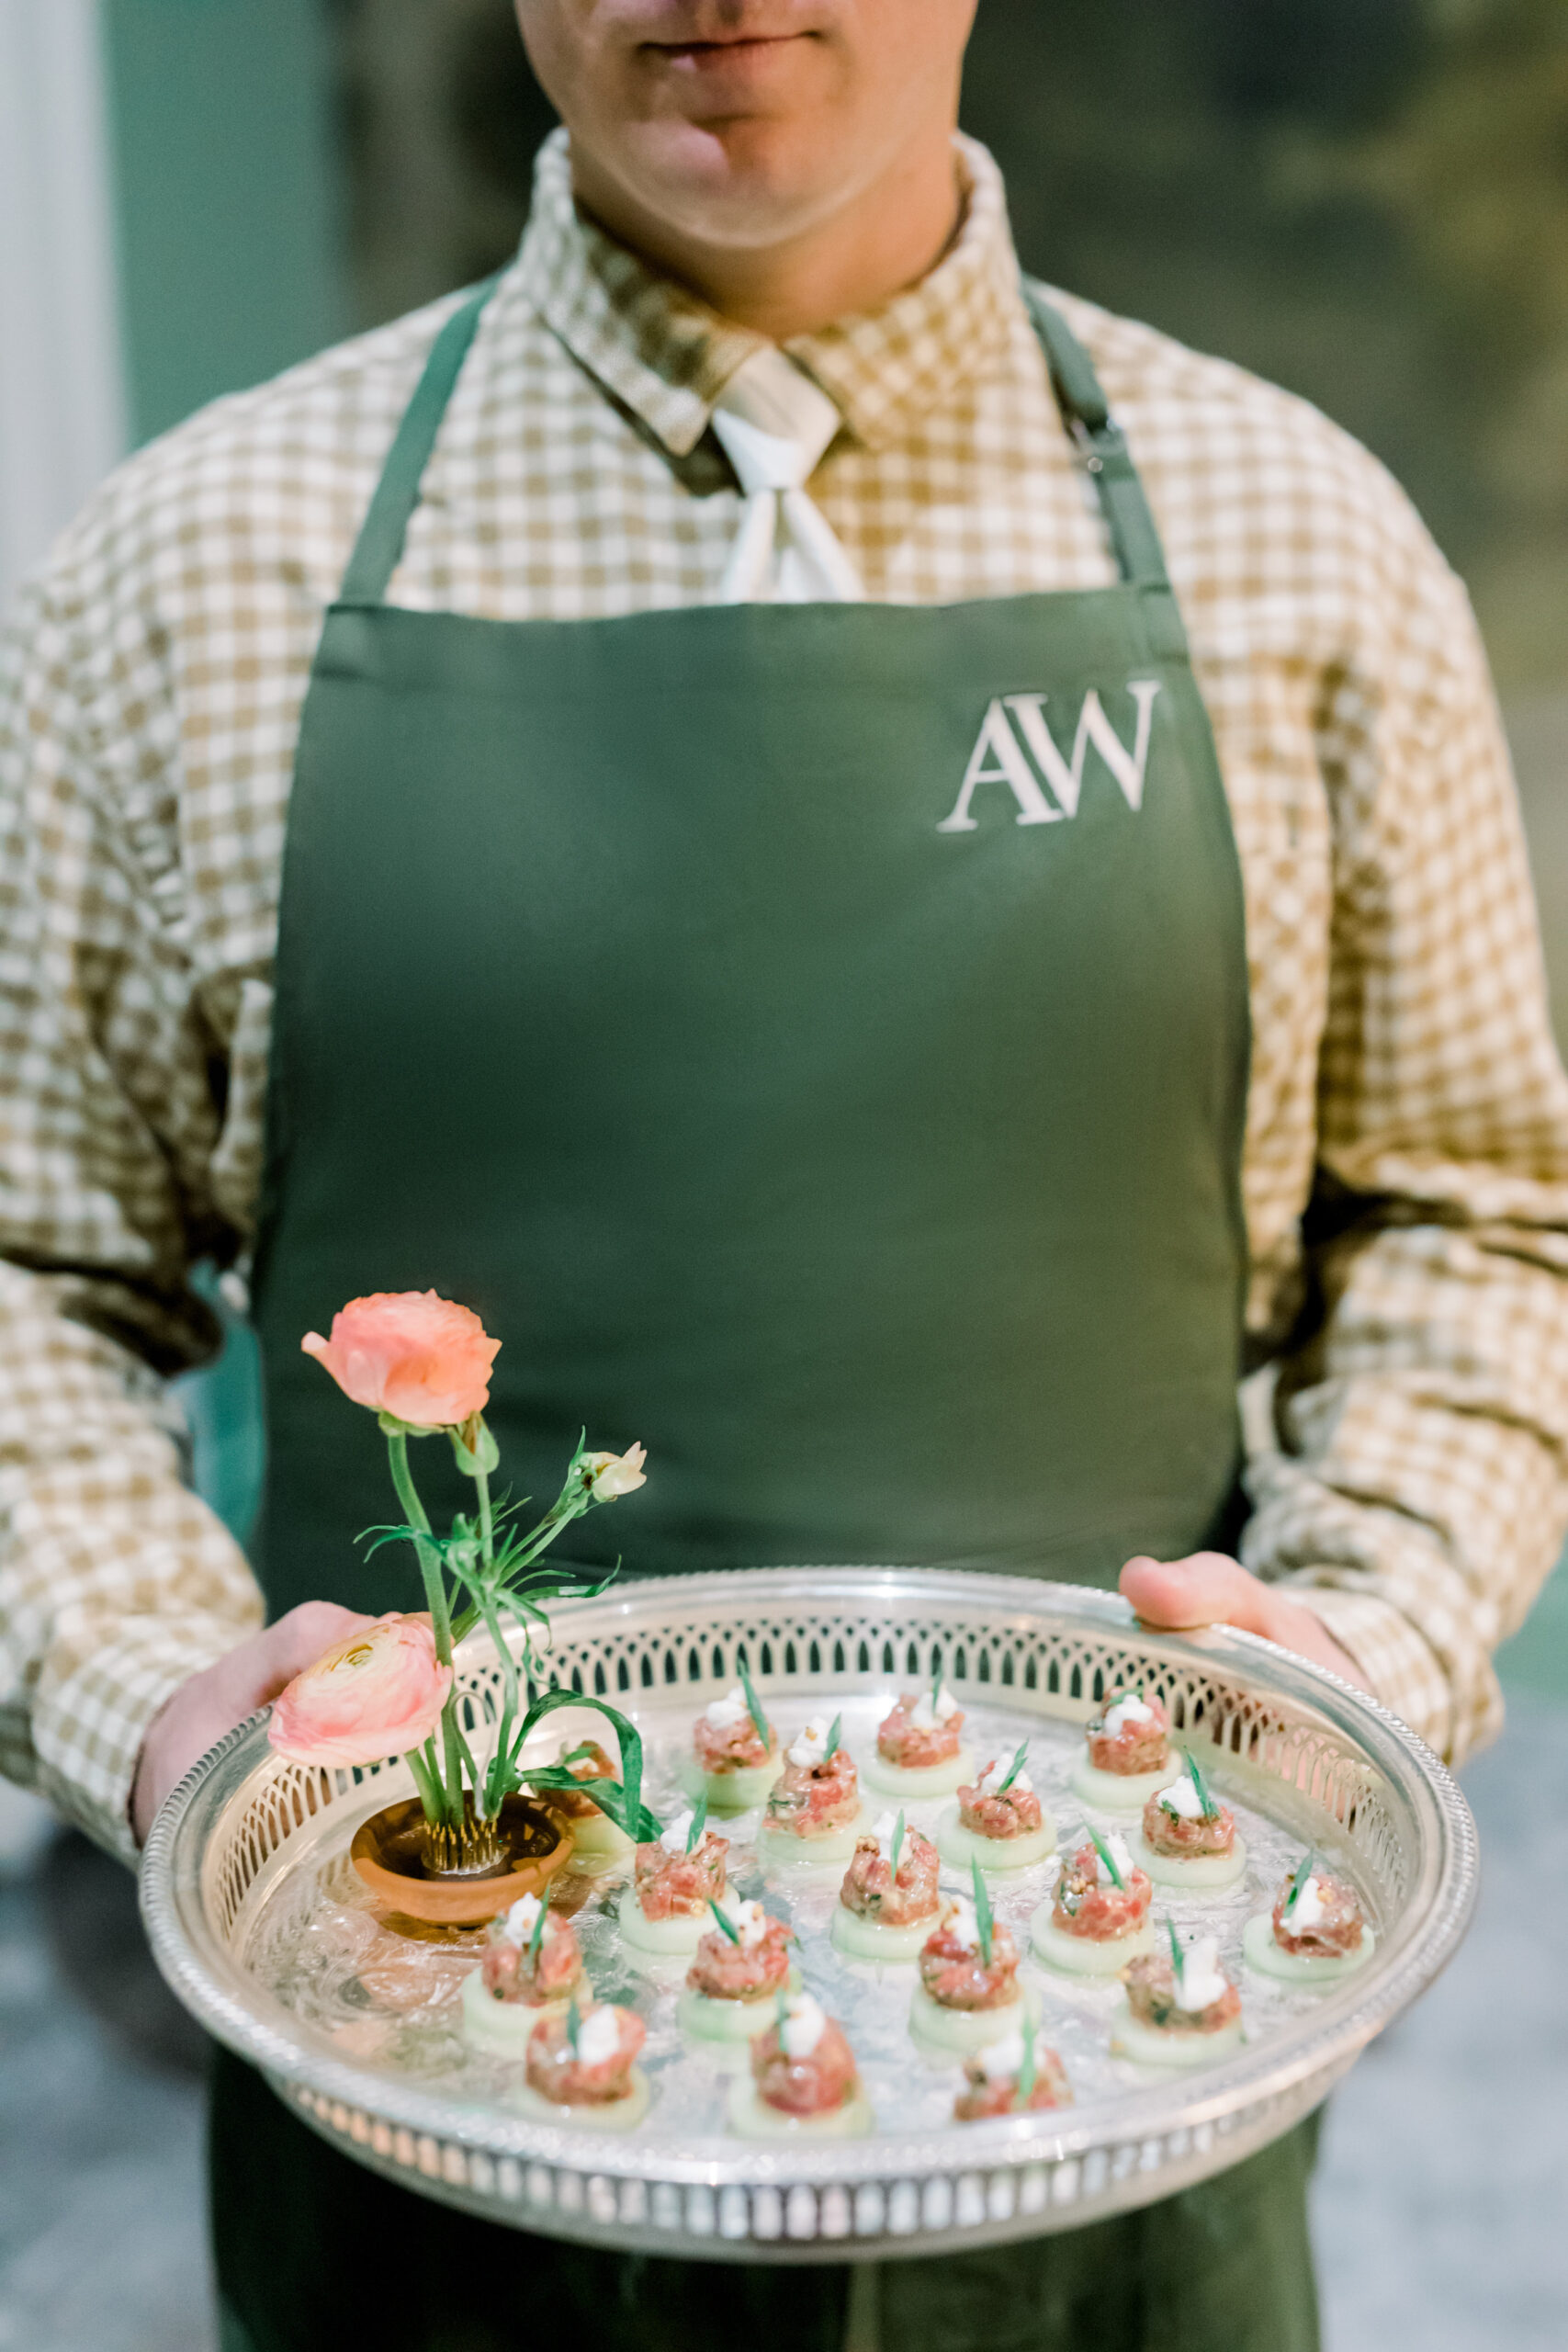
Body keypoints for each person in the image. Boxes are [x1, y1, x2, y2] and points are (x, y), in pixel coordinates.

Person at [2, 2, 1565, 2346]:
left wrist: (1367, 1644)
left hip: (1107, 2081)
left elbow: (1464, 1213)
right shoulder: (191, 571)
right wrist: (157, 1698)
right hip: (426, 2108)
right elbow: (31, 1261)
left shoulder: (1300, 545)